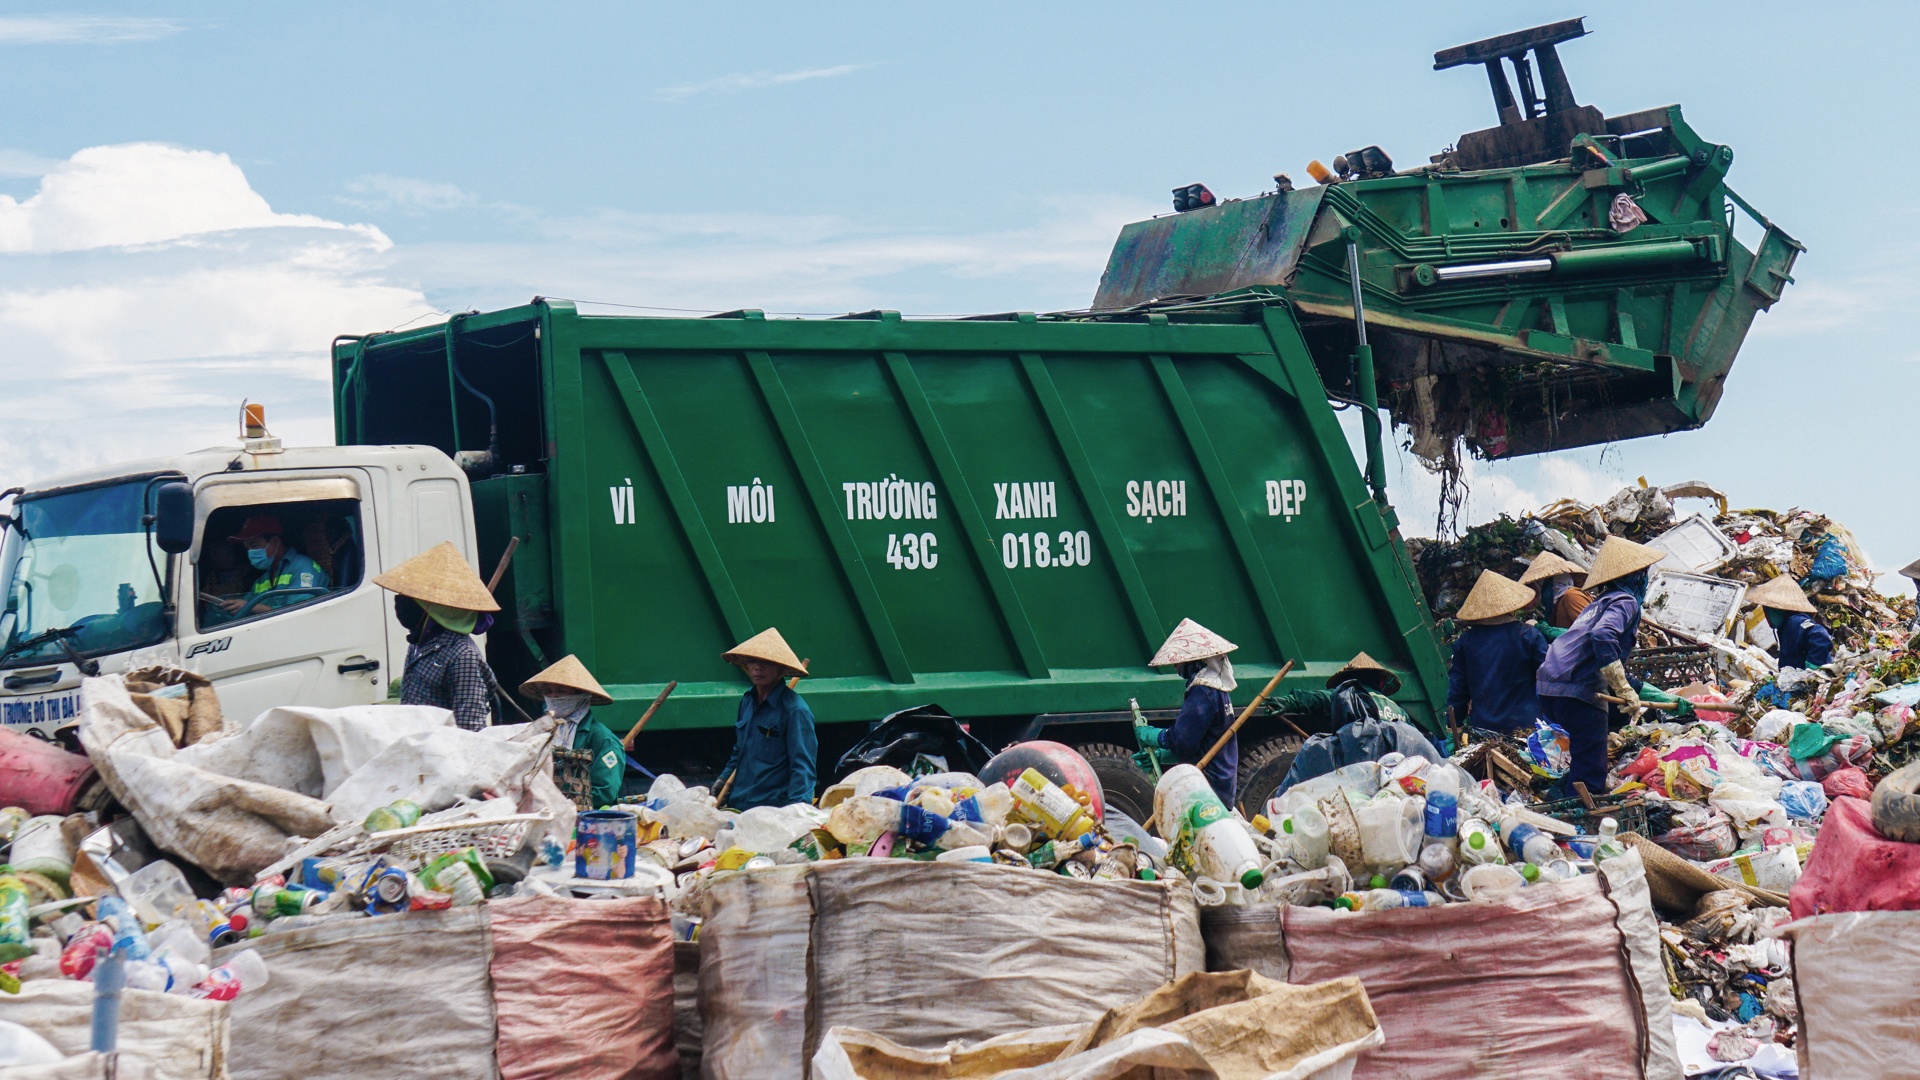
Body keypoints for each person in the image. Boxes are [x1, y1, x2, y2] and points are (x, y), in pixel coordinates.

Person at [1535, 536, 1665, 796]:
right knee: (1592, 773)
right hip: (1578, 688)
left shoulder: (1597, 603)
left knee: (1584, 757)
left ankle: (1555, 794)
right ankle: (1569, 813)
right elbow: (1603, 635)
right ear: (1636, 577)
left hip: (1550, 686)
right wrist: (1624, 688)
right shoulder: (1625, 601)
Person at [373, 541, 501, 732]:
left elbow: (469, 728)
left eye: (409, 599)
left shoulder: (462, 656)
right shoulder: (418, 644)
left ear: (436, 610)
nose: (400, 603)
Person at [1269, 652, 1445, 791]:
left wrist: (1289, 702)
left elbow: (1318, 699)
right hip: (1396, 773)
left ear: (1350, 680)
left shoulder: (1351, 695)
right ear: (1381, 682)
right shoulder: (1398, 710)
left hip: (1364, 769)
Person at [1134, 619, 1240, 803]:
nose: (1176, 666)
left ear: (1196, 662)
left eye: (1180, 662)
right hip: (1220, 782)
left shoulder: (1203, 692)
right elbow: (1198, 743)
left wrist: (1153, 736)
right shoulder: (1217, 689)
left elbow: (1182, 741)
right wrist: (1162, 755)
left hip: (1208, 786)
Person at [718, 628, 816, 811]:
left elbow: (802, 767)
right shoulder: (747, 701)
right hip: (739, 804)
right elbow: (739, 751)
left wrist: (797, 812)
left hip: (772, 810)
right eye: (753, 661)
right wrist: (723, 778)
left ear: (781, 669)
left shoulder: (795, 710)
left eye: (766, 662)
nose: (757, 667)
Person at [1447, 570, 1548, 735]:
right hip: (1526, 727)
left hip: (1483, 728)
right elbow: (1549, 677)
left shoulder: (1465, 642)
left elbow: (1458, 689)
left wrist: (1454, 725)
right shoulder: (1528, 636)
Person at [521, 654, 625, 808]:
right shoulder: (542, 731)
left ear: (580, 695)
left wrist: (561, 802)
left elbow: (605, 792)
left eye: (561, 691)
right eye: (549, 691)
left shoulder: (602, 738)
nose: (554, 697)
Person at [210, 514, 329, 620]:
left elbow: (300, 613)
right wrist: (232, 606)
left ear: (275, 542)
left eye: (254, 545)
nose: (250, 553)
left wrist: (253, 607)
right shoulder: (262, 580)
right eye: (247, 548)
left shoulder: (303, 567)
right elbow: (245, 604)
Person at [1747, 576, 1831, 670]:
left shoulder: (1795, 622)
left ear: (1776, 610)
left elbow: (1820, 635)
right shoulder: (1785, 627)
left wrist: (1812, 666)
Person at [1518, 550, 1589, 636]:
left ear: (1544, 584)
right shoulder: (1554, 605)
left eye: (1535, 587)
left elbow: (1589, 630)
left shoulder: (1571, 596)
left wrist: (1544, 629)